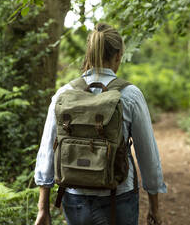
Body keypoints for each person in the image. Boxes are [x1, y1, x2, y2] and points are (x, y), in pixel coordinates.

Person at [33, 23, 167, 225]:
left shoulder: (64, 94)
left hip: (74, 196)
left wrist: (43, 209)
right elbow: (148, 154)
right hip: (119, 196)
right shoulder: (130, 95)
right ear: (118, 55)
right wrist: (154, 206)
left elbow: (47, 151)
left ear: (89, 53)